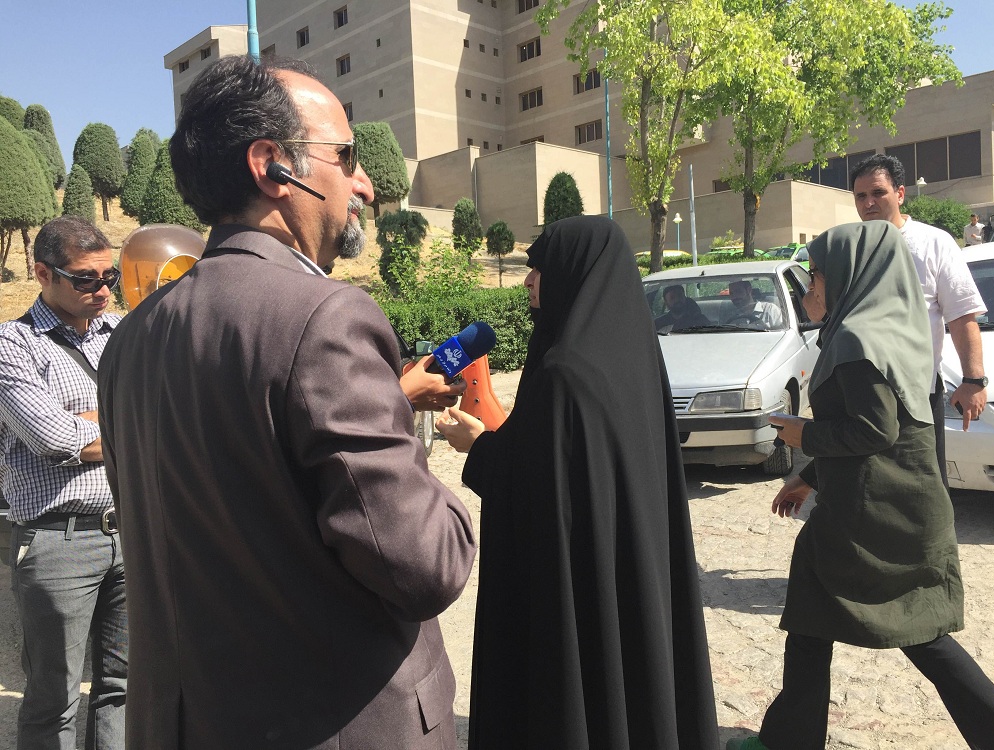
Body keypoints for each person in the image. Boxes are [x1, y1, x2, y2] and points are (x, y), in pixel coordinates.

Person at [97, 55, 476, 749]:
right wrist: (448, 480)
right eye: (346, 156)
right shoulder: (326, 317)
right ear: (272, 166)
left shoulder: (131, 339)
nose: (364, 183)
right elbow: (426, 566)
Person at [436, 216, 718, 750]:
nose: (528, 282)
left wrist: (478, 447)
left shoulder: (564, 373)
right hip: (633, 566)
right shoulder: (634, 359)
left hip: (579, 586)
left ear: (573, 272)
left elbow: (542, 493)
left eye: (538, 269)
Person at [728, 222, 994, 750]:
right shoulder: (893, 327)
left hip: (874, 516)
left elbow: (875, 431)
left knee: (920, 633)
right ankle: (789, 740)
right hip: (892, 503)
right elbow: (886, 430)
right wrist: (808, 476)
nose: (808, 289)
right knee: (815, 622)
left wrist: (802, 434)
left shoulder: (856, 339)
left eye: (815, 277)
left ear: (849, 275)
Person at [0, 216, 127, 748]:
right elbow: (54, 440)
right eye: (85, 278)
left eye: (109, 276)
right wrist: (132, 418)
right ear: (43, 274)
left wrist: (93, 423)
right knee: (54, 697)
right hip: (58, 541)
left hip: (130, 532)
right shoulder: (14, 345)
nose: (102, 289)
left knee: (123, 687)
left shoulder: (122, 334)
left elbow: (172, 407)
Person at [850, 154, 986, 482]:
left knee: (925, 489)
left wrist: (973, 380)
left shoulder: (933, 243)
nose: (868, 203)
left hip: (917, 396)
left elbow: (961, 315)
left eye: (878, 193)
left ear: (900, 193)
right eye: (860, 195)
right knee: (869, 490)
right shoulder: (850, 247)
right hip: (862, 395)